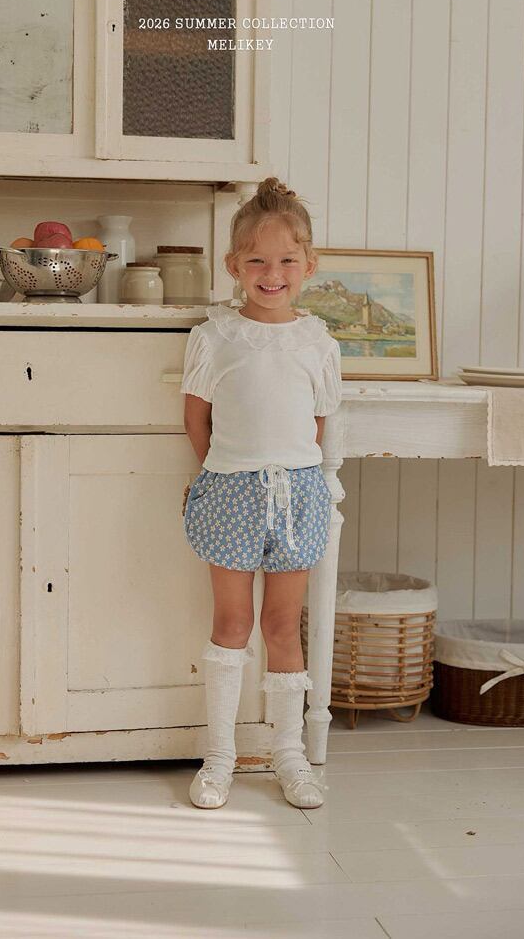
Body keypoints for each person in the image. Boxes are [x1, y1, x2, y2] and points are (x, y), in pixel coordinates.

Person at [180, 177, 342, 811]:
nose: (272, 274)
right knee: (232, 623)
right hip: (230, 492)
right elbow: (196, 418)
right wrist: (224, 470)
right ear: (234, 265)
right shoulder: (215, 336)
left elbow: (317, 423)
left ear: (309, 264)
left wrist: (287, 472)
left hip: (297, 494)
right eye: (257, 261)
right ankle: (219, 755)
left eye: (286, 261)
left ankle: (288, 753)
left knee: (280, 624)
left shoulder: (317, 342)